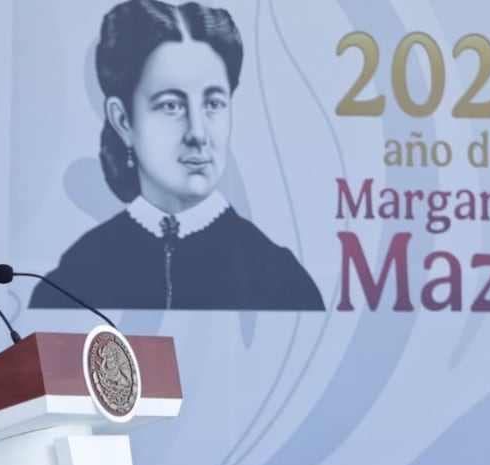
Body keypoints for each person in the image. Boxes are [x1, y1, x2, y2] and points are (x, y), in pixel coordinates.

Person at [29, 0, 325, 311]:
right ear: (123, 120)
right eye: (172, 106)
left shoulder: (280, 281)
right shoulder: (77, 277)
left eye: (213, 103)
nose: (198, 133)